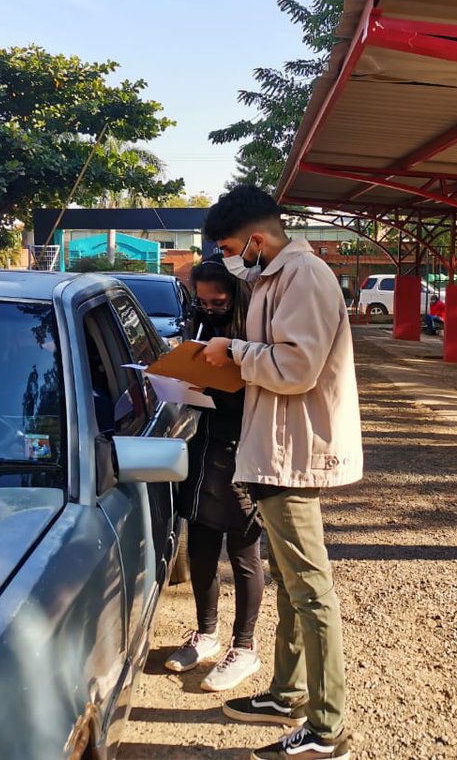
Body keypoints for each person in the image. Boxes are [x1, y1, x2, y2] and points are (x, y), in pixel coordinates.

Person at [198, 184, 361, 760]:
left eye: (230, 246)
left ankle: (327, 728)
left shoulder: (304, 276)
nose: (227, 258)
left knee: (311, 591)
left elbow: (295, 367)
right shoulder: (272, 278)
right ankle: (289, 692)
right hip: (273, 447)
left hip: (292, 451)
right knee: (294, 586)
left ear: (258, 240)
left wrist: (234, 353)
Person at [163, 255, 265, 692]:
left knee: (243, 552)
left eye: (217, 301)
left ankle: (244, 647)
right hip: (203, 443)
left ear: (236, 296)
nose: (208, 308)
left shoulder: (255, 333)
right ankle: (206, 634)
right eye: (201, 301)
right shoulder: (201, 323)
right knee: (202, 545)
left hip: (244, 448)